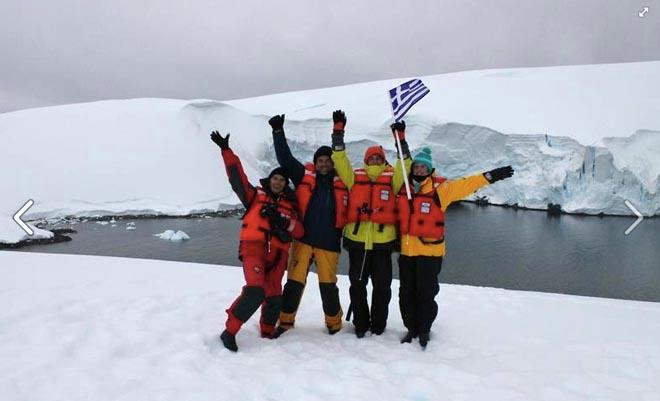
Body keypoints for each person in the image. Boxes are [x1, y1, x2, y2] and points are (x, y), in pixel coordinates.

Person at [397, 146, 514, 349]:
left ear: (430, 170)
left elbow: (467, 184)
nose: (419, 170)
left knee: (426, 293)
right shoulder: (404, 188)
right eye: (417, 167)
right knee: (406, 293)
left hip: (429, 253)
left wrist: (492, 176)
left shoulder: (441, 191)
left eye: (424, 168)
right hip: (407, 252)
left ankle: (424, 330)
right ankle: (411, 328)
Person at [210, 131, 304, 352]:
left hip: (278, 256)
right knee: (255, 290)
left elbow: (299, 231)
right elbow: (237, 178)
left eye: (282, 180)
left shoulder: (291, 206)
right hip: (254, 249)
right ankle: (229, 331)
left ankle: (267, 332)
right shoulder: (254, 197)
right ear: (269, 180)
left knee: (274, 296)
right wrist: (226, 151)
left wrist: (282, 221)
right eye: (275, 178)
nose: (278, 182)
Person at [330, 115, 412, 338]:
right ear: (366, 160)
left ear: (383, 160)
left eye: (378, 158)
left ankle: (378, 323)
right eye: (372, 158)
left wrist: (400, 139)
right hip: (358, 242)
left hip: (383, 244)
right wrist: (338, 132)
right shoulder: (354, 177)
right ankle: (360, 323)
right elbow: (339, 159)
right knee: (357, 286)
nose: (375, 161)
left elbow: (406, 164)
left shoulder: (393, 178)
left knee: (382, 288)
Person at [267, 113, 348, 336]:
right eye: (320, 161)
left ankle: (334, 323)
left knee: (328, 287)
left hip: (329, 243)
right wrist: (277, 132)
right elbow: (285, 159)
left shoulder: (343, 182)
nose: (323, 165)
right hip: (302, 240)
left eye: (327, 161)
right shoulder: (303, 175)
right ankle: (285, 321)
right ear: (316, 162)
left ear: (332, 163)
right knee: (293, 284)